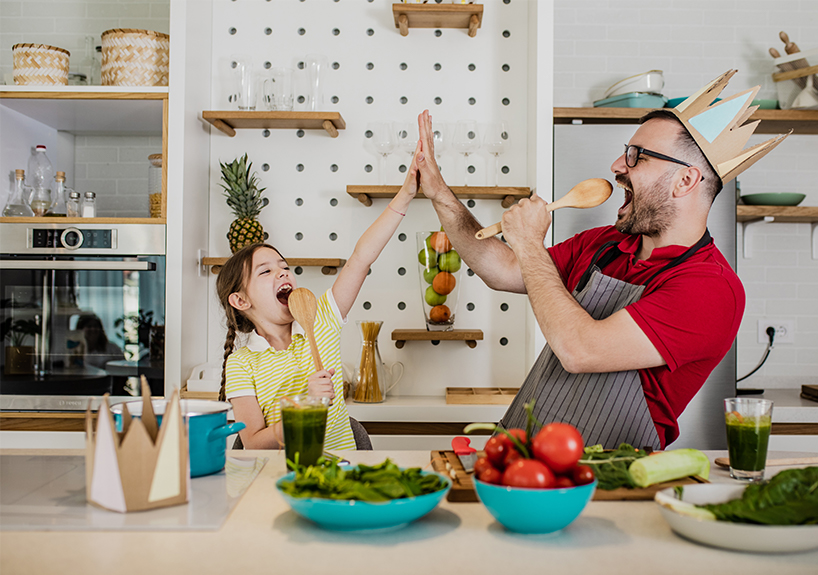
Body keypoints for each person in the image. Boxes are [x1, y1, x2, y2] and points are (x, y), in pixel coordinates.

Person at [412, 71, 789, 449]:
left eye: (636, 156)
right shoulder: (606, 244)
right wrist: (438, 192)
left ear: (685, 181)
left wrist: (529, 243)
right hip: (524, 457)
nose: (617, 165)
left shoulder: (710, 287)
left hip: (610, 476)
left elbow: (580, 349)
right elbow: (503, 270)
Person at [217, 141, 423, 451]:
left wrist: (405, 194)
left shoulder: (322, 320)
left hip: (342, 473)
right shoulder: (242, 364)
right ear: (241, 301)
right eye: (266, 271)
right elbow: (254, 444)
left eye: (284, 267)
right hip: (280, 480)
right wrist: (306, 406)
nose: (283, 273)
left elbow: (360, 259)